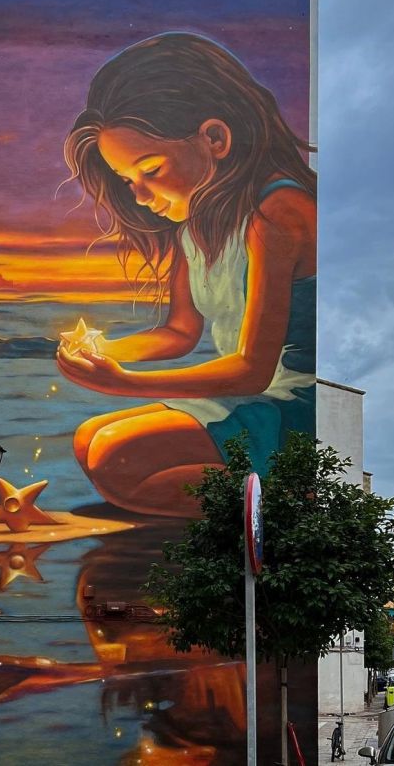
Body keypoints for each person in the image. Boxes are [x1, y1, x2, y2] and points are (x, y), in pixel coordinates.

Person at [57, 32, 316, 517]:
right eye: (128, 181)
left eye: (150, 169)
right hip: (241, 393)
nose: (139, 195)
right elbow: (179, 331)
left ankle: (281, 502)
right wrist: (101, 350)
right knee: (88, 441)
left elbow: (253, 369)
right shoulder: (194, 225)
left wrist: (124, 383)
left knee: (118, 457)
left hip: (289, 405)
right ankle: (247, 497)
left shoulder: (278, 213)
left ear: (214, 139)